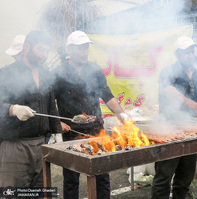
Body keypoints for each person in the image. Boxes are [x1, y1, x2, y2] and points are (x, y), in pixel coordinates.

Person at [53, 30, 130, 199]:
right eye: (80, 48)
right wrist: (57, 123)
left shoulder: (94, 69)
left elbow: (107, 95)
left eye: (86, 48)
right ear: (70, 50)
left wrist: (121, 114)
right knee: (71, 178)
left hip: (96, 130)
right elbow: (50, 102)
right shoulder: (58, 73)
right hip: (71, 133)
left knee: (102, 175)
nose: (84, 52)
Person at [0, 30, 62, 187]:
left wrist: (58, 133)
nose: (44, 55)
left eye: (47, 51)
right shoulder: (7, 73)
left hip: (41, 144)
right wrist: (13, 109)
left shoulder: (46, 74)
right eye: (41, 49)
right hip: (15, 147)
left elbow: (51, 106)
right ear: (27, 47)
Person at [151, 36, 197, 199]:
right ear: (177, 54)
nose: (191, 56)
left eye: (192, 52)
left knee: (185, 178)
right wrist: (193, 104)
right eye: (186, 53)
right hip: (170, 130)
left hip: (191, 130)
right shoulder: (168, 71)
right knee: (164, 177)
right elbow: (170, 92)